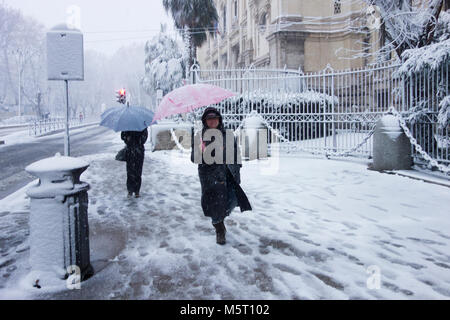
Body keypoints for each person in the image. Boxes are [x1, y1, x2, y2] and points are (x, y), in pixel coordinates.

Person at [191, 107, 252, 245]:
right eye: (209, 119)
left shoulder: (228, 135)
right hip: (209, 177)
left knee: (230, 201)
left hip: (227, 174)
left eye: (215, 118)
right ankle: (219, 230)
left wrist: (237, 171)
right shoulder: (199, 137)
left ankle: (220, 220)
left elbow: (236, 155)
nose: (213, 121)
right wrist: (203, 151)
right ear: (205, 121)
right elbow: (194, 158)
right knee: (214, 206)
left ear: (219, 120)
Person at [121, 128, 148, 198]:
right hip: (130, 152)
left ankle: (137, 191)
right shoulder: (127, 126)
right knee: (130, 172)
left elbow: (144, 138)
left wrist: (138, 139)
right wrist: (127, 138)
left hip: (139, 152)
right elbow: (122, 136)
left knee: (138, 172)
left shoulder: (142, 126)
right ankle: (130, 190)